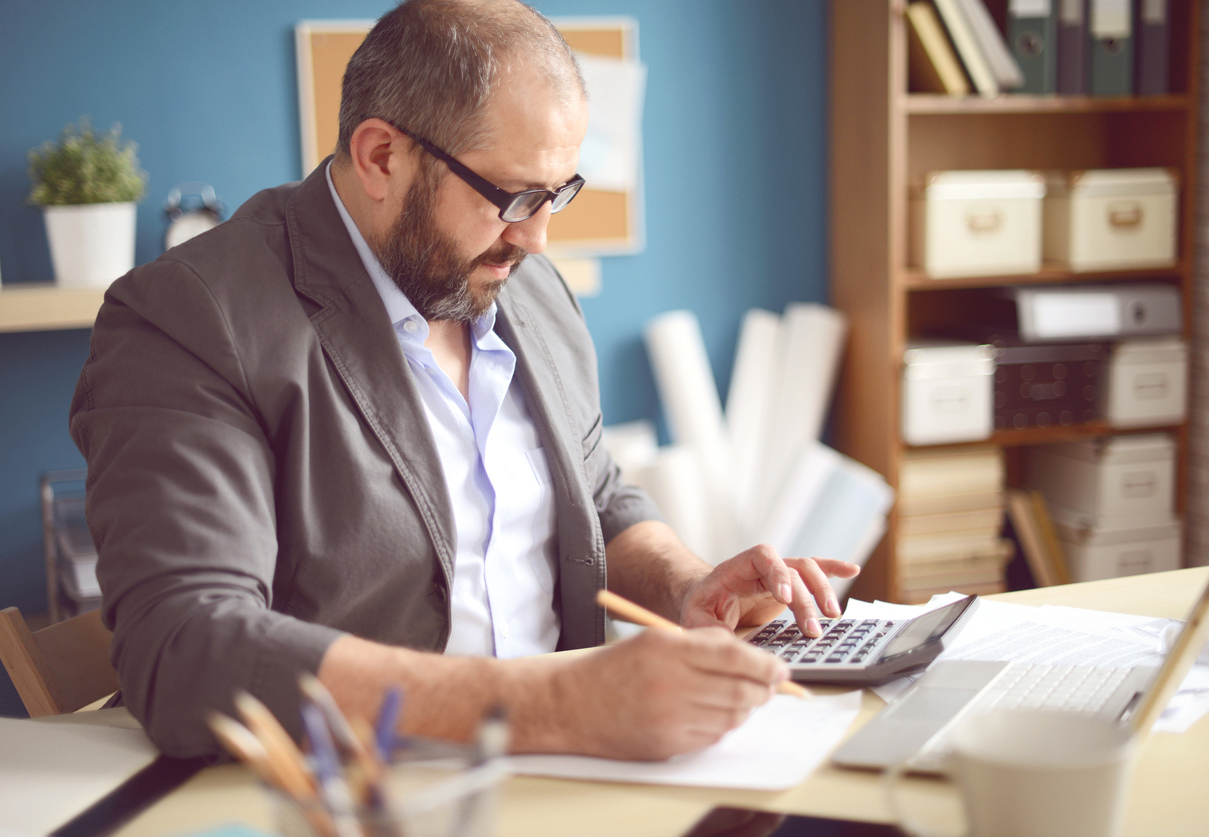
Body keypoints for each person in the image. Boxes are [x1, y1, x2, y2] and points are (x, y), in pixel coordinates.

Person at [69, 0, 858, 761]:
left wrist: (688, 588)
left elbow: (596, 492)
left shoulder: (524, 286)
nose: (538, 238)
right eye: (513, 196)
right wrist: (560, 706)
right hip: (350, 797)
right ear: (381, 156)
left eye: (556, 195)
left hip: (564, 785)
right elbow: (188, 648)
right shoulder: (189, 316)